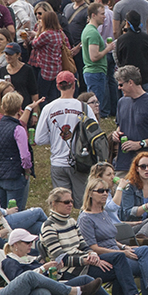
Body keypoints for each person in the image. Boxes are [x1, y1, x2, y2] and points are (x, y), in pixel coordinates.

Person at [80, 173, 148, 295]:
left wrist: (123, 247)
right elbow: (93, 247)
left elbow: (111, 238)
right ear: (90, 193)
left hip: (118, 252)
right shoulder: (85, 218)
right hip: (105, 258)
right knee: (143, 266)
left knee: (145, 250)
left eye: (107, 191)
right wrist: (122, 253)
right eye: (100, 191)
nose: (105, 194)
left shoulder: (104, 213)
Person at [36, 71, 92, 205]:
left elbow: (39, 139)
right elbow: (94, 134)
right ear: (74, 85)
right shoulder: (84, 107)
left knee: (61, 204)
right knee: (83, 204)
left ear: (57, 86)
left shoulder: (49, 108)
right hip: (81, 161)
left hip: (58, 163)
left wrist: (55, 139)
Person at [112, 65, 148, 172]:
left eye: (121, 84)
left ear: (130, 82)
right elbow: (121, 126)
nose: (119, 88)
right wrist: (116, 134)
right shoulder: (122, 102)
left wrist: (140, 144)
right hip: (124, 165)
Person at [0, 91, 33, 209]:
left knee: (0, 211)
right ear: (19, 108)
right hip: (14, 175)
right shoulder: (18, 129)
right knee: (16, 212)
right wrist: (27, 169)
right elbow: (25, 155)